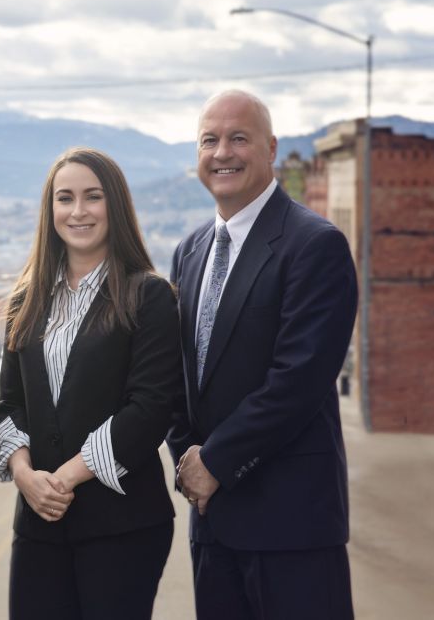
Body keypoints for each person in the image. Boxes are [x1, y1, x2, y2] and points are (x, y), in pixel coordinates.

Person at [167, 89, 358, 619]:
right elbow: (179, 372)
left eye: (238, 138)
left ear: (271, 148)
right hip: (212, 522)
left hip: (291, 525)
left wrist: (215, 462)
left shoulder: (314, 245)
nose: (222, 152)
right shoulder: (190, 250)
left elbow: (298, 380)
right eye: (210, 140)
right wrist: (188, 463)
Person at [0, 147, 183, 619]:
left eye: (92, 197)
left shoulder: (148, 296)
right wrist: (23, 474)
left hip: (122, 527)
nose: (78, 211)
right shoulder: (26, 299)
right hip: (38, 522)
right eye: (65, 198)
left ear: (114, 205)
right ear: (49, 209)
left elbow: (150, 408)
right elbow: (8, 402)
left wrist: (62, 479)